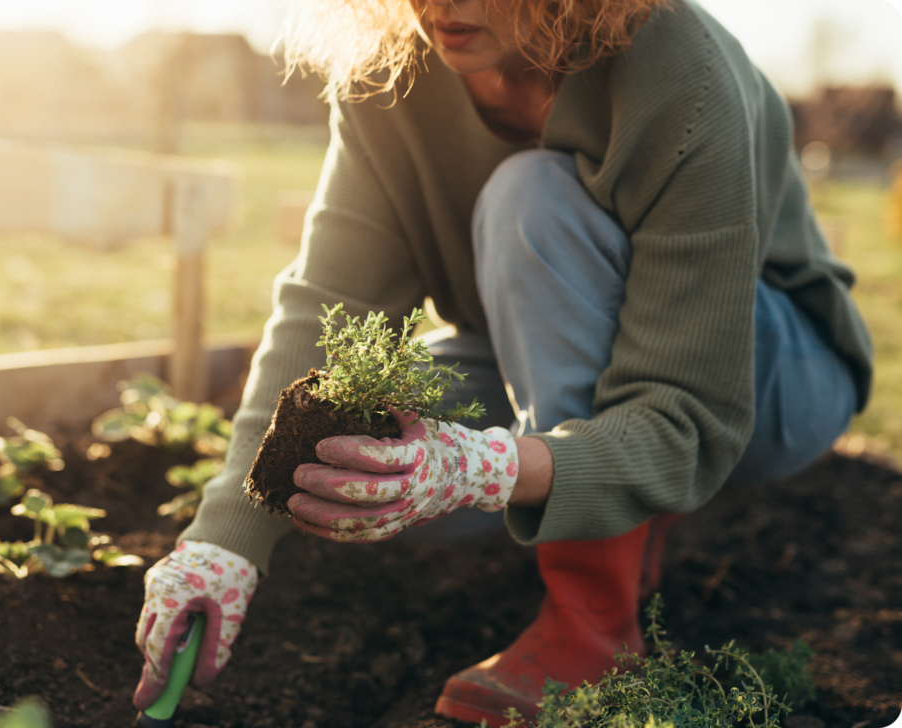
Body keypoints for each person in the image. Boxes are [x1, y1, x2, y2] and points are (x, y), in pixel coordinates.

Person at [134, 0, 873, 723]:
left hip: (767, 375)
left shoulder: (678, 69)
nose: (442, 6)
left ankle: (593, 630)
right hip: (545, 362)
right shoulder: (391, 74)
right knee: (364, 460)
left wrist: (479, 467)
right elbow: (327, 309)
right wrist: (224, 542)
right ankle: (618, 499)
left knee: (534, 197)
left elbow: (693, 416)